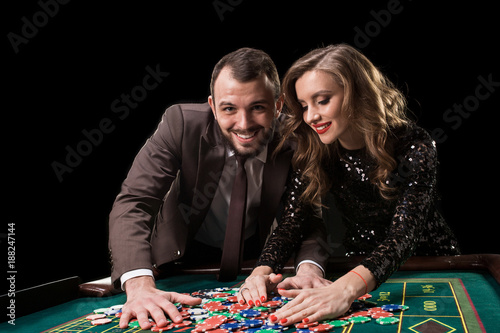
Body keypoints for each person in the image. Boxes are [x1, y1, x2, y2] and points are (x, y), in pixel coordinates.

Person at [238, 44, 461, 324]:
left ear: (357, 93)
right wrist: (260, 273)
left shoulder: (414, 145)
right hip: (358, 267)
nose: (310, 117)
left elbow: (403, 236)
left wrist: (344, 290)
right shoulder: (316, 148)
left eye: (322, 100)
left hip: (433, 267)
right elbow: (292, 222)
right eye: (305, 105)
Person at [108, 47, 328, 330]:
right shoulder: (181, 124)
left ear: (278, 105)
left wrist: (309, 270)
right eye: (229, 109)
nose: (244, 124)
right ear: (212, 106)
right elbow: (135, 202)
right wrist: (139, 286)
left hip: (256, 261)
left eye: (258, 107)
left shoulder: (298, 138)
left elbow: (308, 217)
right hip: (178, 259)